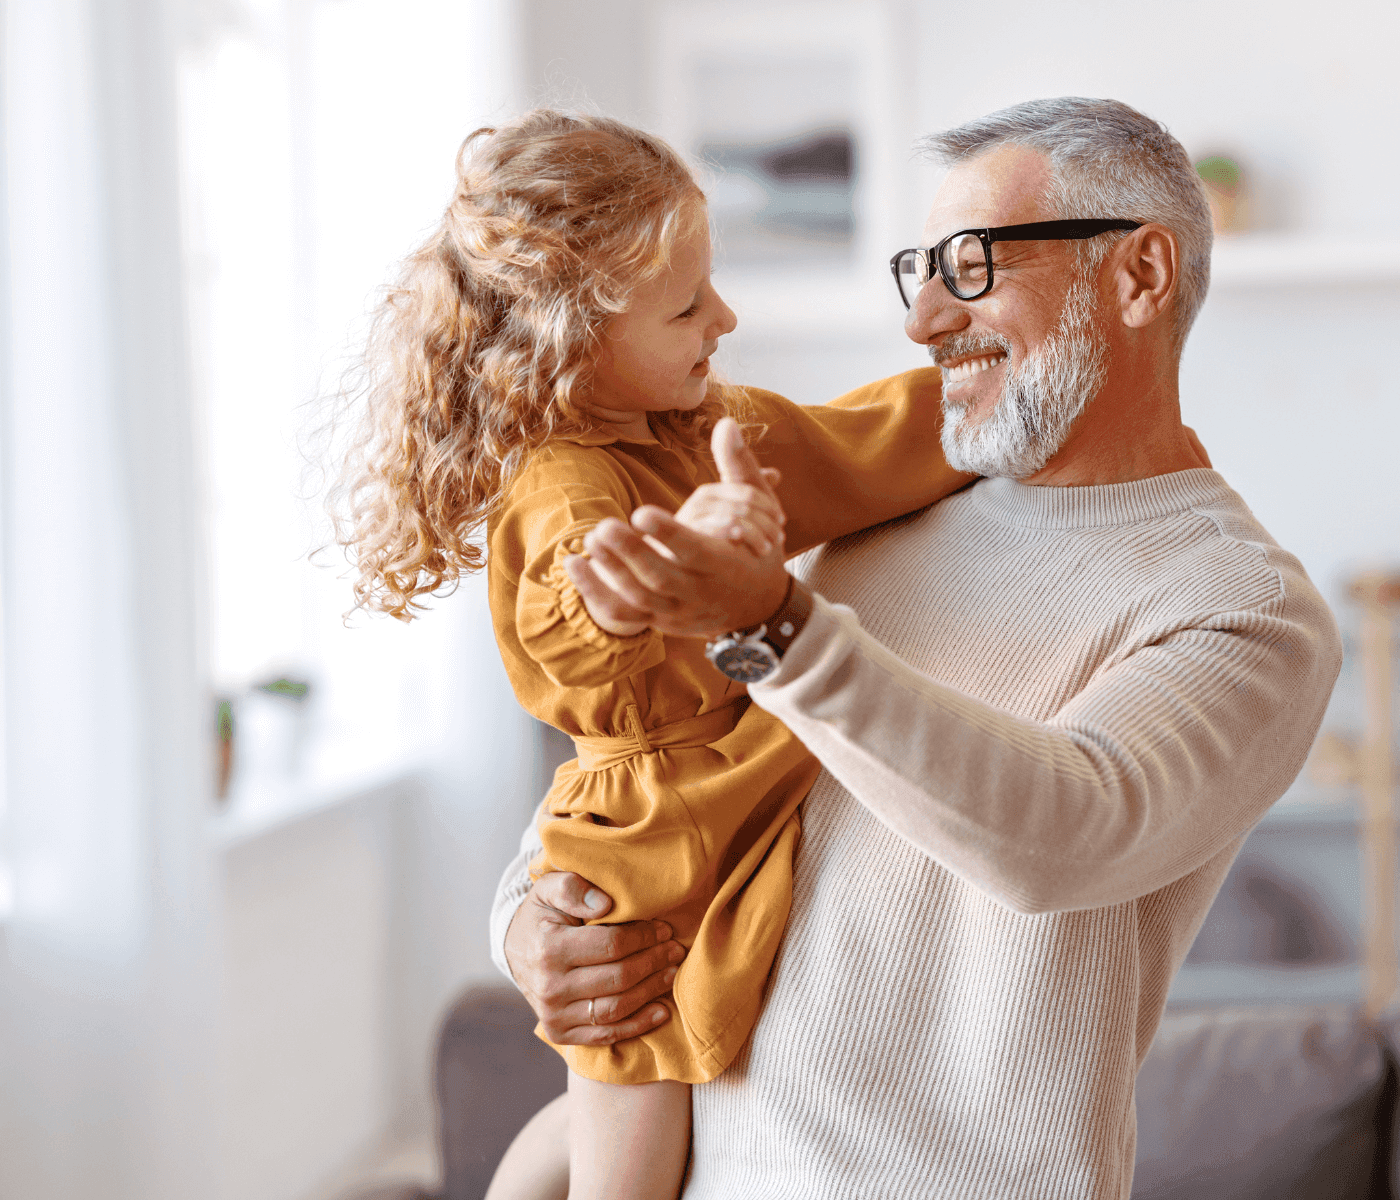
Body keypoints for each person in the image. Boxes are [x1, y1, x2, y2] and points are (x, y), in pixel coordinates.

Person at [491, 97, 1343, 1198]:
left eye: (973, 266)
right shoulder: (866, 519)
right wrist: (528, 923)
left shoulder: (1240, 606)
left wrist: (771, 623)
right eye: (919, 269)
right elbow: (658, 758)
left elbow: (1061, 832)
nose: (924, 319)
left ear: (1136, 277)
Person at [333, 109, 971, 1200]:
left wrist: (986, 402)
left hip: (731, 770)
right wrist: (685, 564)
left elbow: (855, 445)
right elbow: (580, 625)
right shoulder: (564, 483)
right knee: (627, 1115)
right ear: (568, 339)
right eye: (686, 306)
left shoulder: (702, 429)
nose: (722, 317)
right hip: (643, 833)